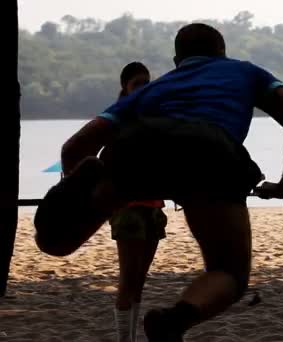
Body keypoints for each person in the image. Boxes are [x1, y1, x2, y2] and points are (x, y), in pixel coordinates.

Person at [60, 23, 283, 341]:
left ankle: (66, 229)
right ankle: (174, 320)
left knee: (70, 227)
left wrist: (73, 192)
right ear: (222, 51)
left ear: (176, 60)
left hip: (138, 152)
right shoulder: (247, 73)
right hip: (210, 154)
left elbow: (74, 148)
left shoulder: (156, 88)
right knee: (228, 272)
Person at [111, 62, 168, 342]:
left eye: (147, 82)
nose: (144, 88)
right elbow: (104, 158)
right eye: (137, 83)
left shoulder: (154, 116)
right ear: (125, 87)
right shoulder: (117, 118)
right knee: (128, 280)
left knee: (140, 282)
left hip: (154, 207)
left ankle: (130, 336)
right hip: (129, 208)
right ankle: (125, 339)